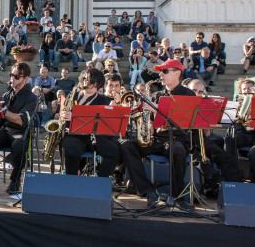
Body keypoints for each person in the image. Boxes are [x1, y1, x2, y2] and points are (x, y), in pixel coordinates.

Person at [120, 59, 196, 209]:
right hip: (157, 138)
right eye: (160, 71)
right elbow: (151, 119)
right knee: (127, 146)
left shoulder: (189, 94)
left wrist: (159, 109)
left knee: (178, 150)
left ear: (177, 73)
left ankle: (178, 196)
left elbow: (186, 121)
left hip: (178, 138)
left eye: (165, 71)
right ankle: (148, 191)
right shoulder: (158, 94)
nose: (160, 74)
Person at [0, 62, 37, 194]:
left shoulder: (31, 97)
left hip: (21, 133)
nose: (12, 78)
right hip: (6, 132)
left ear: (25, 79)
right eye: (12, 75)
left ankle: (15, 181)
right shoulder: (6, 95)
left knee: (19, 145)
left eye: (17, 76)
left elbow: (20, 120)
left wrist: (3, 110)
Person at [60, 68, 119, 177]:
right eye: (85, 79)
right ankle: (71, 182)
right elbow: (63, 115)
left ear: (97, 84)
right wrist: (64, 115)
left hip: (93, 137)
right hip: (74, 136)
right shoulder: (73, 96)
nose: (86, 82)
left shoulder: (103, 100)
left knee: (114, 152)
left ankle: (99, 179)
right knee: (71, 150)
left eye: (90, 81)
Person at [186, 79, 240, 184]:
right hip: (186, 141)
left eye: (200, 92)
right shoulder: (183, 102)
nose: (197, 94)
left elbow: (207, 134)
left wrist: (207, 119)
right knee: (204, 161)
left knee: (228, 159)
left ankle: (230, 189)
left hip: (201, 140)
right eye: (194, 91)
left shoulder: (205, 104)